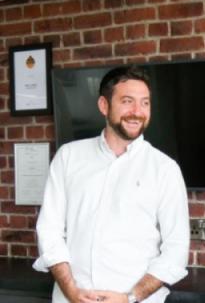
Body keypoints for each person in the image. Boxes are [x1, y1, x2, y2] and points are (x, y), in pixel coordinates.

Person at [34, 66, 190, 303]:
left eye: (145, 103)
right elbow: (49, 230)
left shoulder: (165, 169)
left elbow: (176, 250)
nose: (137, 112)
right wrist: (71, 291)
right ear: (103, 105)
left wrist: (129, 297)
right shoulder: (69, 157)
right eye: (127, 101)